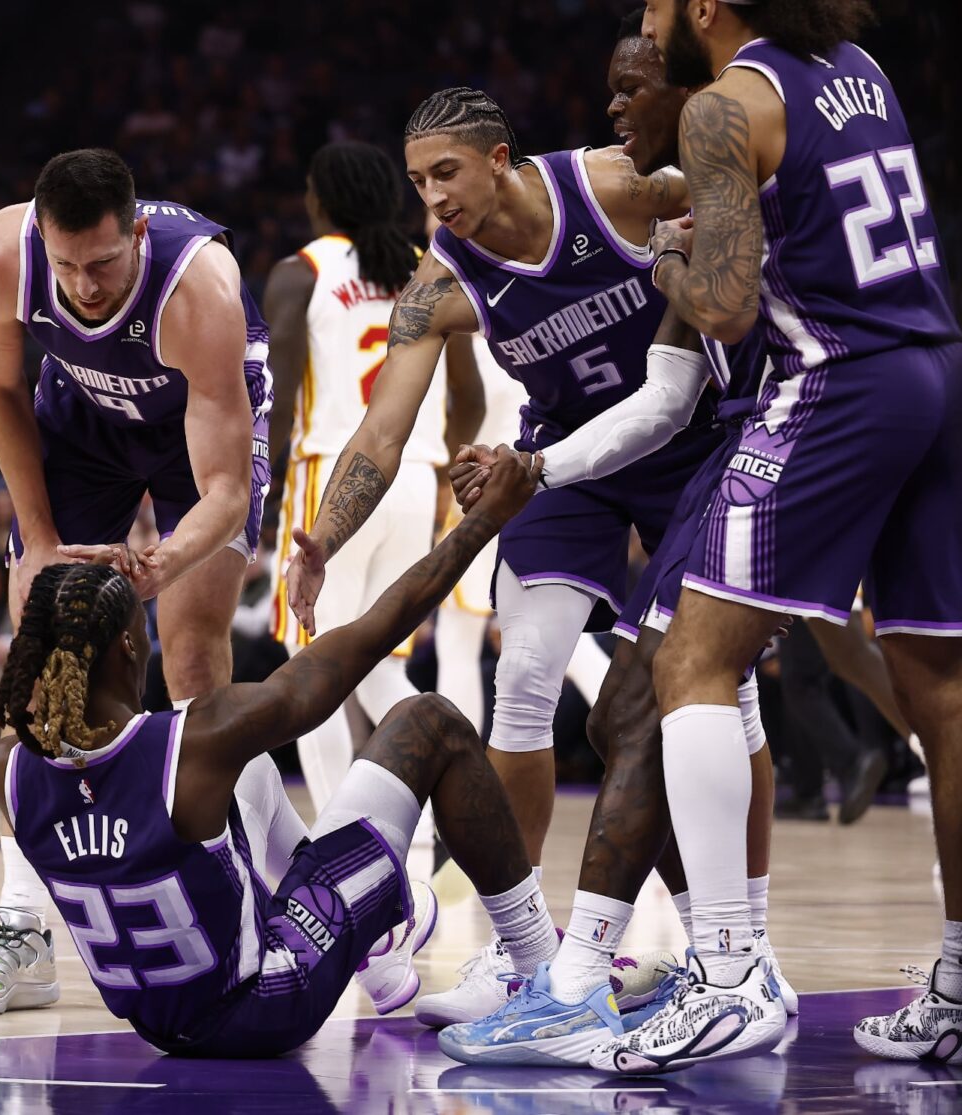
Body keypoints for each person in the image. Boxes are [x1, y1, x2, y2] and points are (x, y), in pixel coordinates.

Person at [283, 85, 718, 1026]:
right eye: (416, 181)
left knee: (709, 696)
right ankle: (523, 951)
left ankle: (733, 947)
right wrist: (321, 536)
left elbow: (730, 193)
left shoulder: (613, 187)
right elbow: (381, 435)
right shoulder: (439, 286)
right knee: (522, 674)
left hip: (689, 438)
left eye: (447, 172)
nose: (432, 196)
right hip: (560, 459)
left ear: (499, 159)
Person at [602, 0, 962, 1073]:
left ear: (706, 8)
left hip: (842, 378)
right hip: (935, 363)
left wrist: (666, 252)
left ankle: (724, 977)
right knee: (941, 689)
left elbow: (722, 308)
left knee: (692, 657)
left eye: (659, 2)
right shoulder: (856, 65)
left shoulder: (722, 104)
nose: (648, 14)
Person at [435, 15, 796, 1064]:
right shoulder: (679, 213)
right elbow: (666, 389)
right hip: (687, 441)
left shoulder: (692, 195)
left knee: (679, 693)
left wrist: (534, 462)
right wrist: (527, 461)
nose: (612, 111)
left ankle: (620, 970)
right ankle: (704, 960)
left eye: (634, 86)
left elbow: (712, 345)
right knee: (656, 698)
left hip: (778, 437)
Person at [0, 448, 560, 1055]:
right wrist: (485, 519)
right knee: (431, 720)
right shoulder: (195, 742)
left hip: (162, 1028)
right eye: (141, 628)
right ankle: (541, 965)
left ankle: (386, 933)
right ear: (130, 647)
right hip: (273, 1003)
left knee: (250, 774)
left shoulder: (9, 770)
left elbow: (101, 794)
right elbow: (378, 630)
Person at [0, 148, 271, 1015]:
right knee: (43, 655)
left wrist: (162, 565)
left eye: (104, 264)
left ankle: (229, 885)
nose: (83, 286)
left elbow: (225, 490)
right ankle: (22, 928)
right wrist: (39, 540)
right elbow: (0, 390)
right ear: (41, 237)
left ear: (140, 235)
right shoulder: (2, 253)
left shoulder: (202, 291)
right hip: (81, 419)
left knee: (192, 655)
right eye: (68, 265)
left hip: (193, 433)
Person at [262, 140, 486, 815]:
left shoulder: (301, 271)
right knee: (381, 667)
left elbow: (274, 397)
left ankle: (336, 830)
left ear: (321, 199)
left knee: (314, 667)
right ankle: (443, 802)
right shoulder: (428, 271)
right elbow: (468, 398)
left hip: (333, 478)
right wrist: (447, 465)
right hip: (415, 478)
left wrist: (261, 488)